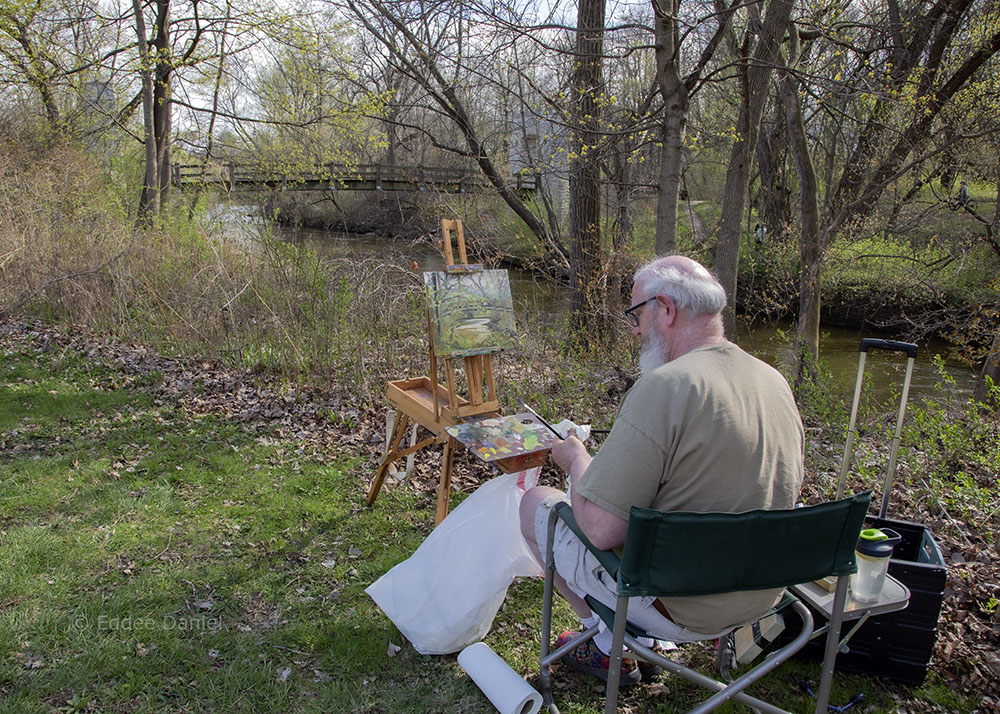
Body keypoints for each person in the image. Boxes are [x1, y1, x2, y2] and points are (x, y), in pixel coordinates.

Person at [518, 255, 805, 686]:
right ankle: (635, 644)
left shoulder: (666, 385)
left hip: (682, 604)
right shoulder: (774, 381)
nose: (635, 328)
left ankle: (607, 643)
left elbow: (599, 529)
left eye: (637, 313)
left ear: (666, 309)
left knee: (535, 504)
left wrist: (576, 458)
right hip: (763, 594)